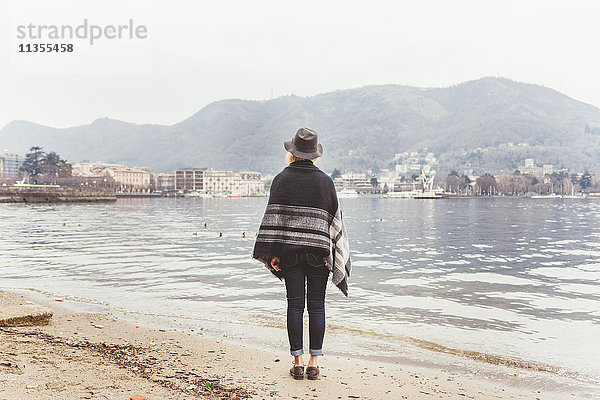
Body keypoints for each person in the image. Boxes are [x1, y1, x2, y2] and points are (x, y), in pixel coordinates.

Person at [253, 127, 351, 381]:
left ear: (292, 153)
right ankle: (314, 363)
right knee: (317, 306)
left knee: (294, 306)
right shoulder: (325, 182)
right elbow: (334, 223)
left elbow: (274, 220)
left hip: (290, 255)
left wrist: (272, 254)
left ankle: (297, 362)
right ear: (314, 154)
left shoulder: (281, 179)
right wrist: (332, 255)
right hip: (318, 255)